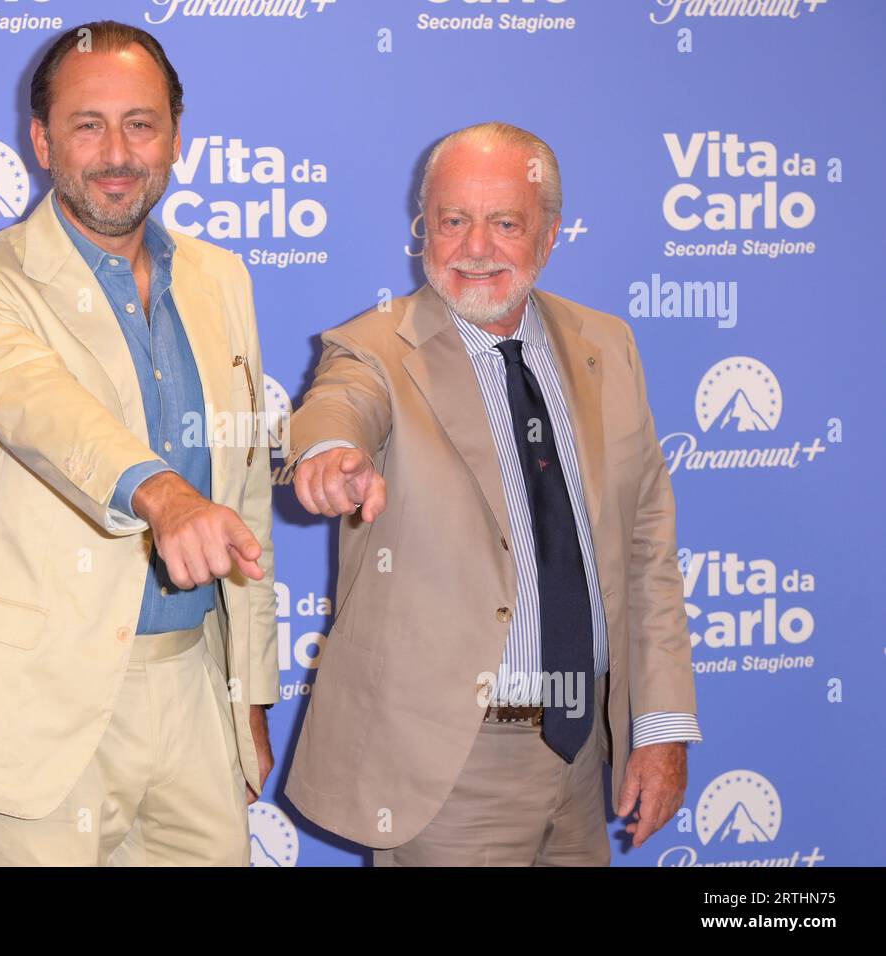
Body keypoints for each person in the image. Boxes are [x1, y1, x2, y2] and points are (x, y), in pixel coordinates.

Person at [0, 20, 278, 866]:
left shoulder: (222, 278)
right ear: (41, 140)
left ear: (176, 136)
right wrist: (163, 494)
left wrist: (250, 698)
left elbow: (242, 497)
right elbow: (47, 413)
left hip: (196, 688)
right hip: (39, 705)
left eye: (141, 123)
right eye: (87, 125)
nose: (117, 152)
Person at [283, 121, 700, 866]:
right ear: (423, 228)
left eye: (505, 223)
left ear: (550, 233)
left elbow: (648, 551)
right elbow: (339, 405)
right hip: (448, 768)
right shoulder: (375, 346)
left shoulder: (610, 344)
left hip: (582, 753)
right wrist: (327, 453)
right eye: (452, 221)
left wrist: (661, 729)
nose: (475, 248)